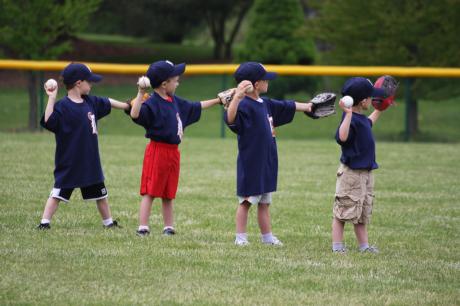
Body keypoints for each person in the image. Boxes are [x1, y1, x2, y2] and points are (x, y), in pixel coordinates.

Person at [225, 62, 314, 246]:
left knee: (265, 202)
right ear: (256, 84)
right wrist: (237, 97)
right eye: (265, 79)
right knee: (247, 202)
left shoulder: (265, 104)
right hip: (252, 162)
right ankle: (240, 237)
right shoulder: (243, 105)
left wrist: (308, 107)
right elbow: (231, 119)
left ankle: (267, 237)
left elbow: (287, 105)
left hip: (267, 161)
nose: (268, 82)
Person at [129, 60, 221, 236]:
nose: (177, 83)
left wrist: (218, 100)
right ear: (164, 84)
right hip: (157, 150)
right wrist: (141, 93)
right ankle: (143, 226)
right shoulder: (152, 102)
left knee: (168, 192)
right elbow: (135, 114)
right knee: (150, 191)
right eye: (175, 80)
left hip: (173, 153)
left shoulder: (175, 101)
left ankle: (168, 226)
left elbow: (197, 106)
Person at [37, 62, 130, 230]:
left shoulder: (90, 102)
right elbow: (49, 121)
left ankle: (108, 223)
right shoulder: (62, 107)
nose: (92, 84)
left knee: (101, 194)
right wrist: (51, 97)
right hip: (69, 160)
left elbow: (108, 102)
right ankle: (44, 222)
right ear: (78, 83)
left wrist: (127, 106)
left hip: (90, 160)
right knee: (57, 193)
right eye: (89, 81)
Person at [332, 77, 387, 253]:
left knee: (362, 212)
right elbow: (342, 137)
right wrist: (347, 114)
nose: (373, 100)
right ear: (363, 101)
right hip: (351, 175)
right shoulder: (349, 119)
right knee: (342, 212)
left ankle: (364, 246)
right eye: (371, 98)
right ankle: (337, 246)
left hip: (365, 174)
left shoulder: (361, 118)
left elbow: (368, 123)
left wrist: (380, 110)